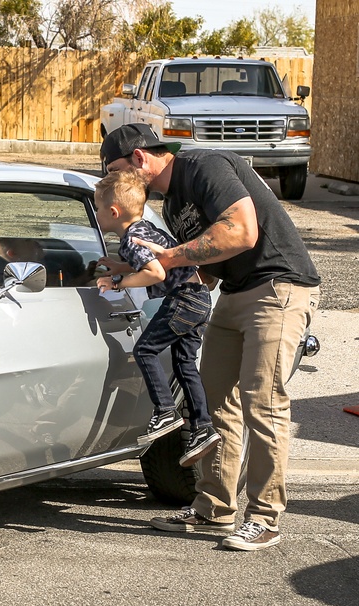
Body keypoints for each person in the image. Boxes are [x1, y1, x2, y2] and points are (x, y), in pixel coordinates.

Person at [101, 123, 321, 551]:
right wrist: (128, 272)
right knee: (215, 401)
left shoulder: (205, 165)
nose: (115, 184)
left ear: (141, 158)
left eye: (116, 171)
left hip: (278, 287)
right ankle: (214, 509)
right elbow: (197, 265)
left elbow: (241, 232)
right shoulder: (172, 202)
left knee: (264, 402)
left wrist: (166, 256)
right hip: (234, 293)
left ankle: (265, 518)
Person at [93, 170, 219, 466]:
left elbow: (155, 272)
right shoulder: (144, 228)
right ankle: (202, 426)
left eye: (98, 209)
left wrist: (118, 283)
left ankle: (165, 411)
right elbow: (153, 260)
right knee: (184, 363)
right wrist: (120, 265)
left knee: (144, 350)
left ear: (113, 212)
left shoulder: (130, 239)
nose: (97, 214)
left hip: (183, 299)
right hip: (199, 297)